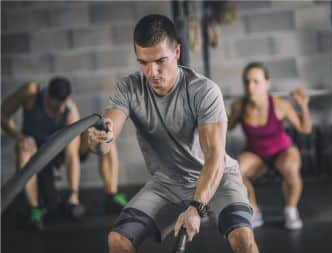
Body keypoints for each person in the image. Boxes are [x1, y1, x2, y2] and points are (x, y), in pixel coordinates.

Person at [88, 14, 259, 253]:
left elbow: (214, 159)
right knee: (118, 240)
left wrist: (196, 208)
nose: (152, 72)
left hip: (217, 178)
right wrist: (99, 141)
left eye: (160, 61)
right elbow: (106, 138)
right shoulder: (128, 88)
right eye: (143, 63)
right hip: (165, 183)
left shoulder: (204, 91)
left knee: (243, 239)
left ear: (177, 52)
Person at [0, 77, 127, 230]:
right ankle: (34, 209)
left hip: (61, 150)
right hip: (37, 151)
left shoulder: (70, 111)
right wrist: (21, 137)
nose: (60, 109)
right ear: (47, 96)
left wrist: (73, 196)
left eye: (63, 105)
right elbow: (2, 114)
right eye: (55, 107)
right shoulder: (30, 93)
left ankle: (111, 195)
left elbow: (72, 155)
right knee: (23, 151)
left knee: (105, 139)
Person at [228, 62, 312, 229]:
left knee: (290, 168)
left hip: (282, 151)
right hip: (256, 154)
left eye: (255, 81)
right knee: (234, 171)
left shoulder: (280, 105)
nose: (250, 86)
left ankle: (291, 210)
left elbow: (305, 128)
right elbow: (226, 127)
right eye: (247, 82)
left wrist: (303, 106)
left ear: (267, 83)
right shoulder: (239, 106)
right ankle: (254, 210)